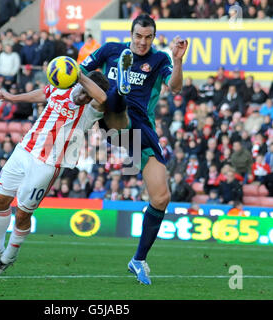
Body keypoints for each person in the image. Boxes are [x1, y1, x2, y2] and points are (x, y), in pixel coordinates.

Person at [0, 70, 110, 276]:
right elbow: (43, 93)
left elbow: (102, 98)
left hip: (48, 163)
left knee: (23, 213)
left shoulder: (92, 108)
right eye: (83, 91)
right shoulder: (62, 88)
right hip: (24, 150)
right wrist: (12, 98)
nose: (85, 97)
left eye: (89, 94)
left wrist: (80, 77)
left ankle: (8, 257)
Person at [80, 14, 188, 284]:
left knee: (161, 197)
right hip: (112, 118)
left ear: (153, 37)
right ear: (131, 34)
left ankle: (138, 259)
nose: (142, 42)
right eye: (138, 36)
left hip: (143, 130)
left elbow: (175, 87)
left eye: (148, 37)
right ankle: (120, 91)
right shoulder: (110, 50)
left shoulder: (160, 59)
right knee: (117, 109)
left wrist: (177, 60)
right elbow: (79, 72)